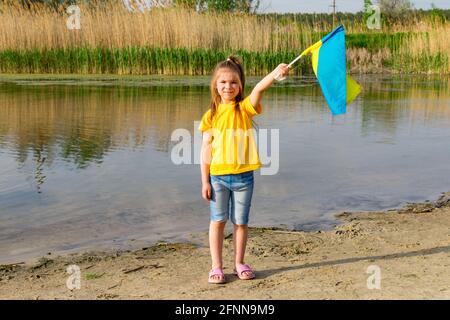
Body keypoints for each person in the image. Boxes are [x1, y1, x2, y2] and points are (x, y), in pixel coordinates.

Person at [198, 55, 289, 284]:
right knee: (218, 221)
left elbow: (259, 89)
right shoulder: (211, 115)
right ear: (215, 86)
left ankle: (239, 262)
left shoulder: (245, 108)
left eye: (234, 82)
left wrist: (275, 74)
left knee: (241, 222)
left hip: (244, 178)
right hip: (217, 177)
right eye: (223, 82)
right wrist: (205, 181)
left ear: (240, 86)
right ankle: (216, 266)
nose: (228, 87)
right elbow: (205, 151)